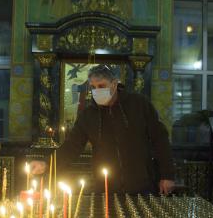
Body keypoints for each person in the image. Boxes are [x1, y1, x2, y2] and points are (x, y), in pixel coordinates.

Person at [31, 64, 176, 194]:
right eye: (93, 87)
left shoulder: (139, 104)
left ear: (114, 84)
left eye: (101, 86)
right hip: (106, 188)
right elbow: (71, 146)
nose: (96, 91)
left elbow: (160, 140)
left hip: (142, 184)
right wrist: (47, 164)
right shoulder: (89, 115)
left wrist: (167, 175)